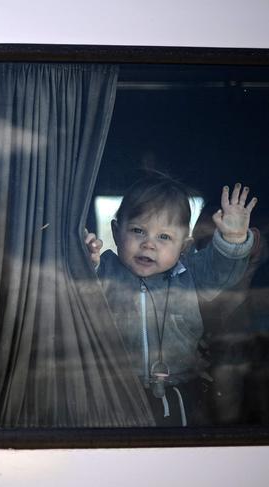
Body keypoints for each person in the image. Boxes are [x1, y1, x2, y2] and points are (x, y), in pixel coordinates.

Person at [84, 174, 257, 426]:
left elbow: (223, 272)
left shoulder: (190, 274)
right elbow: (80, 290)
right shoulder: (105, 270)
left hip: (179, 388)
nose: (148, 244)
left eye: (164, 237)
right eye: (138, 230)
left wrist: (233, 239)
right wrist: (85, 261)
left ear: (184, 246)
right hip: (113, 390)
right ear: (115, 231)